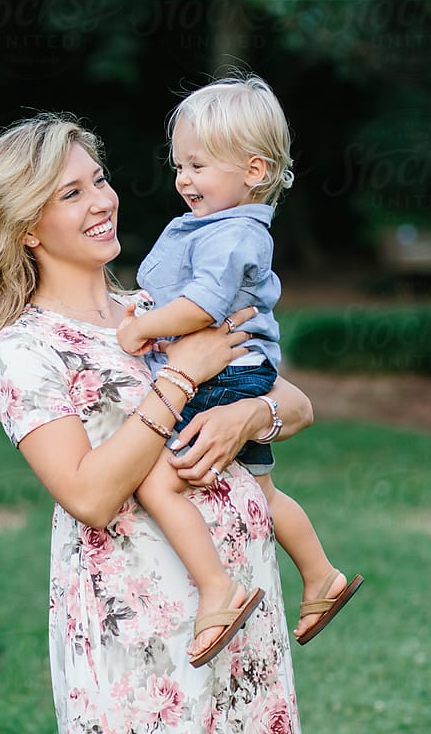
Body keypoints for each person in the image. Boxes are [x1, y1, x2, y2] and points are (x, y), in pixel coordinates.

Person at [0, 113, 313, 732]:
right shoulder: (28, 348)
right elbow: (88, 494)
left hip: (243, 606)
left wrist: (247, 417)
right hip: (144, 628)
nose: (102, 201)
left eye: (99, 179)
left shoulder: (158, 309)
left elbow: (295, 404)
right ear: (27, 226)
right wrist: (179, 378)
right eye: (72, 193)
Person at [116, 76, 362, 663]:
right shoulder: (226, 226)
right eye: (179, 165)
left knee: (158, 482)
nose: (183, 179)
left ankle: (218, 590)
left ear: (253, 170)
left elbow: (202, 305)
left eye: (198, 165)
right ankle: (321, 575)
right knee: (261, 487)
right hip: (243, 372)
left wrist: (142, 327)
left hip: (223, 376)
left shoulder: (231, 235)